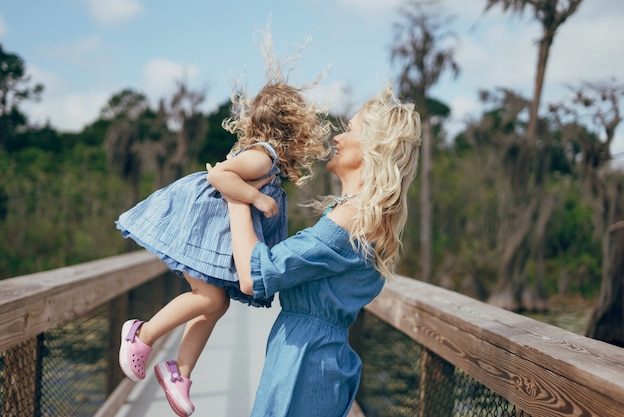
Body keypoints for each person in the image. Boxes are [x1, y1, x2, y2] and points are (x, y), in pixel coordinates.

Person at [115, 34, 331, 417]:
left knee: (216, 305)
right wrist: (259, 199)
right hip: (199, 228)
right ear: (289, 129)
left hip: (212, 235)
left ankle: (178, 371)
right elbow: (220, 177)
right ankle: (141, 334)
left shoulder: (269, 163)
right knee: (212, 299)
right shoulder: (263, 157)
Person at [225, 85, 421, 417]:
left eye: (350, 130)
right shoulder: (356, 214)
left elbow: (255, 275)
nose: (338, 138)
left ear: (373, 148)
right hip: (310, 355)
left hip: (306, 362)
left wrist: (235, 195)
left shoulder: (352, 218)